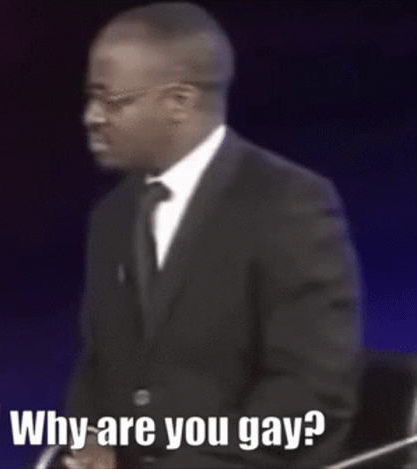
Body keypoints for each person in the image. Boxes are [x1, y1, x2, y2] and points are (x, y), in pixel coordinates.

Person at [60, 3, 362, 468]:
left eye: (112, 100)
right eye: (91, 98)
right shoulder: (112, 216)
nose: (92, 117)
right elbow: (98, 368)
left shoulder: (288, 205)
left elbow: (308, 401)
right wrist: (90, 441)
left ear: (180, 103)